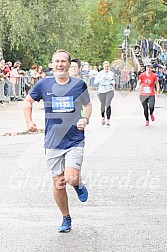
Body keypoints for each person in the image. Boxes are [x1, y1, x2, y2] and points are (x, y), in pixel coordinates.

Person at [23, 49, 92, 232]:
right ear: (51, 64)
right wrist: (29, 121)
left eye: (64, 61)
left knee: (70, 177)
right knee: (58, 182)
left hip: (74, 139)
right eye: (57, 61)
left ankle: (77, 184)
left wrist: (85, 119)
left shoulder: (79, 85)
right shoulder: (43, 84)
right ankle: (66, 218)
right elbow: (28, 101)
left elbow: (88, 105)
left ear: (70, 65)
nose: (60, 64)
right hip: (53, 142)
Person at [94, 61, 115, 126]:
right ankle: (103, 117)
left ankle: (108, 120)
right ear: (103, 67)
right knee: (103, 104)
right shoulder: (100, 73)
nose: (106, 68)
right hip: (101, 90)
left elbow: (112, 79)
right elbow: (95, 82)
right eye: (105, 66)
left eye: (108, 66)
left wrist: (113, 82)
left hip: (109, 90)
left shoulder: (111, 73)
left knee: (108, 104)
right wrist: (101, 78)